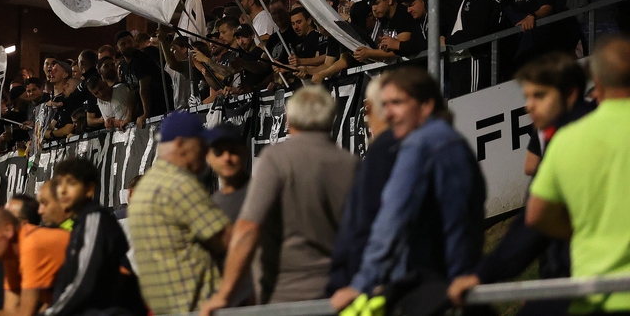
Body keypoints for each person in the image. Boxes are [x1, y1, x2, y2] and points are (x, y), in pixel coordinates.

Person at [329, 67, 486, 312]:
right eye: (385, 104)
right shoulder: (454, 141)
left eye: (397, 103)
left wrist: (361, 283)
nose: (388, 114)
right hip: (458, 283)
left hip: (431, 290)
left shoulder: (419, 144)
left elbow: (392, 218)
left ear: (425, 105)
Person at [447, 52, 592, 315]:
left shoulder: (571, 141)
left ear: (570, 94)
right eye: (527, 97)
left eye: (540, 96)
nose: (529, 106)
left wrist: (482, 274)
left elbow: (531, 225)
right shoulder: (568, 131)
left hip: (586, 284)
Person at [203, 87, 357, 313]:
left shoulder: (277, 159)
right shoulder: (351, 164)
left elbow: (248, 229)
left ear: (288, 121)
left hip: (284, 296)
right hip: (336, 295)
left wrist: (224, 295)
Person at [526, 36, 630, 314]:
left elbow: (535, 214)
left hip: (593, 295)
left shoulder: (567, 139)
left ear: (598, 81)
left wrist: (575, 230)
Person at [128, 111, 232, 315]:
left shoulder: (146, 186)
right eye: (201, 145)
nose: (206, 152)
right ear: (180, 144)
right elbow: (229, 241)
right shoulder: (178, 184)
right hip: (196, 306)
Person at [44, 158, 145, 316]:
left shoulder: (95, 219)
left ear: (89, 190)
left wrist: (51, 312)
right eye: (59, 184)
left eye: (71, 183)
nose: (62, 190)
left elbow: (84, 282)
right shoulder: (81, 224)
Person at [326, 77, 400, 296]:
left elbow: (364, 224)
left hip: (375, 281)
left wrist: (351, 281)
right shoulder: (421, 145)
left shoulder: (381, 153)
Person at [0, 206, 69, 316]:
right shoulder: (10, 255)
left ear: (8, 230)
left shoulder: (32, 244)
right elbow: (11, 311)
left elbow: (26, 314)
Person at [204, 126, 253, 307]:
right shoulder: (211, 205)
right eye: (219, 152)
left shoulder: (262, 195)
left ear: (244, 152)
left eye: (233, 150)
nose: (227, 157)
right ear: (209, 157)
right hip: (225, 303)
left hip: (260, 301)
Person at [447, 0, 498, 96]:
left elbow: (474, 31)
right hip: (457, 61)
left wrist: (447, 41)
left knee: (472, 103)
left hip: (472, 60)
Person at [115, 30, 169, 126]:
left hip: (160, 106)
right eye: (123, 44)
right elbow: (130, 91)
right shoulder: (124, 65)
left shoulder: (141, 59)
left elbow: (144, 88)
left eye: (129, 41)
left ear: (134, 41)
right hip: (150, 110)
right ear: (118, 48)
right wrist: (129, 117)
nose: (127, 45)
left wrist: (145, 113)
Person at [353, 0, 418, 63]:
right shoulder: (384, 18)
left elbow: (401, 50)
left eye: (377, 3)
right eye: (372, 4)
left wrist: (369, 53)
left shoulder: (403, 14)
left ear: (389, 0)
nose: (374, 8)